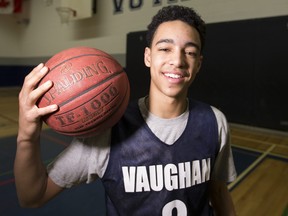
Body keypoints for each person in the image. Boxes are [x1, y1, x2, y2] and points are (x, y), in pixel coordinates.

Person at [14, 5, 237, 216]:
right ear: (148, 56)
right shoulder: (109, 131)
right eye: (165, 48)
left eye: (189, 52)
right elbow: (33, 196)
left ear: (198, 63)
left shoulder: (214, 121)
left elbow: (218, 193)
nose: (177, 61)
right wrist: (26, 137)